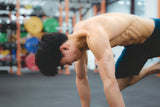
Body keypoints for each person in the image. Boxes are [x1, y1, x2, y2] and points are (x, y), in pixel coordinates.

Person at [35, 13, 160, 107]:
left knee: (112, 86)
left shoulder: (94, 36)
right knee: (119, 84)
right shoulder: (77, 41)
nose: (69, 64)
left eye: (65, 63)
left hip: (155, 34)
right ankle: (154, 68)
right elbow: (81, 78)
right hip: (137, 47)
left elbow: (109, 83)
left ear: (64, 48)